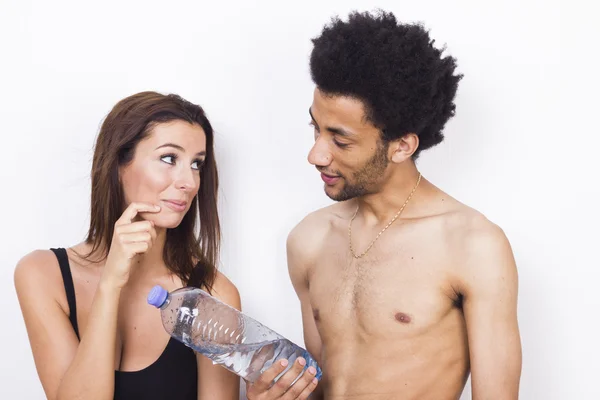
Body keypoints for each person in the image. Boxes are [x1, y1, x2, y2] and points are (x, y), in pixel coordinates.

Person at [14, 91, 317, 400]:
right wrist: (110, 284)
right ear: (119, 163)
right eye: (169, 158)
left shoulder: (212, 295)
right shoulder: (42, 274)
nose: (189, 182)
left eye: (197, 164)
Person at [284, 10, 522, 400]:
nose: (316, 154)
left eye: (340, 141)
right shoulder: (308, 240)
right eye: (316, 128)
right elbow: (325, 386)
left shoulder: (472, 245)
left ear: (402, 146)